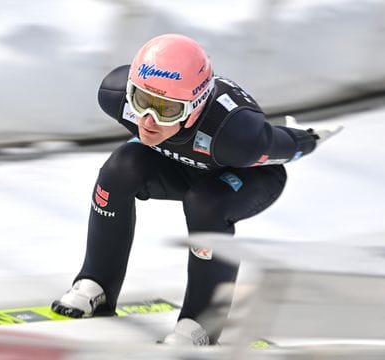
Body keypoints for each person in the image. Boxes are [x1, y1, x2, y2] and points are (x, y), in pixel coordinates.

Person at [51, 33, 342, 345]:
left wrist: (308, 138)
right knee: (119, 168)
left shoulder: (238, 136)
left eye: (167, 110)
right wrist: (159, 113)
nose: (148, 121)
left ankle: (201, 322)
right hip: (183, 162)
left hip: (247, 175)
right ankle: (96, 282)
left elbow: (280, 145)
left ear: (196, 107)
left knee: (205, 203)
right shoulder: (114, 96)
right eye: (142, 101)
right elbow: (146, 119)